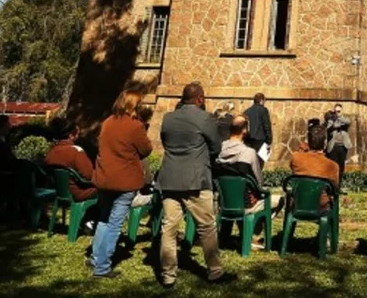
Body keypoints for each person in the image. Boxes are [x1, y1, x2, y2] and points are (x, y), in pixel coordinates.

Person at [157, 83, 234, 288]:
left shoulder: (168, 118)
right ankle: (215, 271)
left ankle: (167, 274)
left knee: (169, 227)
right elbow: (216, 147)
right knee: (206, 226)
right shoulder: (205, 118)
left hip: (170, 178)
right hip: (196, 179)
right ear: (200, 98)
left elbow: (165, 142)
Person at [90, 89, 153, 279]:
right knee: (115, 224)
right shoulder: (135, 126)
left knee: (104, 219)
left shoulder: (108, 122)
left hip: (104, 178)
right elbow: (146, 149)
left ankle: (95, 257)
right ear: (135, 105)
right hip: (124, 181)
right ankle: (102, 267)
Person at [214, 115, 282, 249]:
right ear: (244, 131)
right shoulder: (249, 153)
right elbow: (258, 181)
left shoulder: (219, 150)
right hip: (246, 204)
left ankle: (237, 235)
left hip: (225, 202)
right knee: (279, 200)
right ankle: (252, 233)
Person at [290, 124, 340, 210]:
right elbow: (335, 188)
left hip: (298, 203)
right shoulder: (332, 166)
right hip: (321, 206)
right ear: (325, 143)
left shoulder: (296, 158)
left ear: (308, 142)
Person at [45, 119, 96, 202]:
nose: (78, 137)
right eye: (77, 134)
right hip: (80, 193)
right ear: (71, 136)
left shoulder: (51, 153)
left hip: (59, 193)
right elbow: (89, 175)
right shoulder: (76, 151)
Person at [324, 103, 351, 184]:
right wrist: (333, 125)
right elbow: (328, 128)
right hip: (333, 146)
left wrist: (339, 117)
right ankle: (332, 185)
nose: (337, 113)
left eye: (339, 111)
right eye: (336, 111)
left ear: (342, 111)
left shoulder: (345, 118)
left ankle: (338, 186)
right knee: (333, 166)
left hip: (343, 146)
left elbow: (348, 122)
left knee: (341, 167)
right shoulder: (331, 119)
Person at [243, 93, 272, 165]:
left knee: (250, 163)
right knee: (260, 164)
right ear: (262, 100)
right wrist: (269, 140)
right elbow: (266, 125)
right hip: (261, 140)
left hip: (248, 141)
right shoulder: (263, 110)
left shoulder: (246, 111)